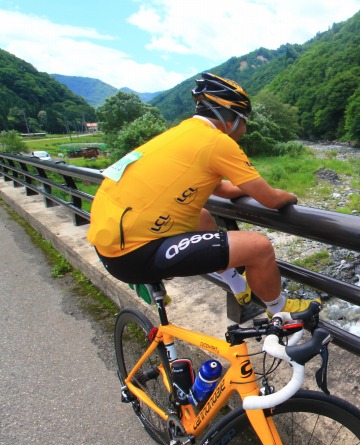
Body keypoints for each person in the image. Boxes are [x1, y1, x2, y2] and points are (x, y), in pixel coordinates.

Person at [87, 72, 320, 319]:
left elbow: (223, 189)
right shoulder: (216, 141)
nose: (245, 128)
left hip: (108, 245)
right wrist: (290, 197)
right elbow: (271, 200)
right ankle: (279, 310)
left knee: (203, 218)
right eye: (244, 120)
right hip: (135, 254)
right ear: (229, 117)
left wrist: (251, 184)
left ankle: (238, 286)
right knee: (259, 247)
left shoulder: (182, 133)